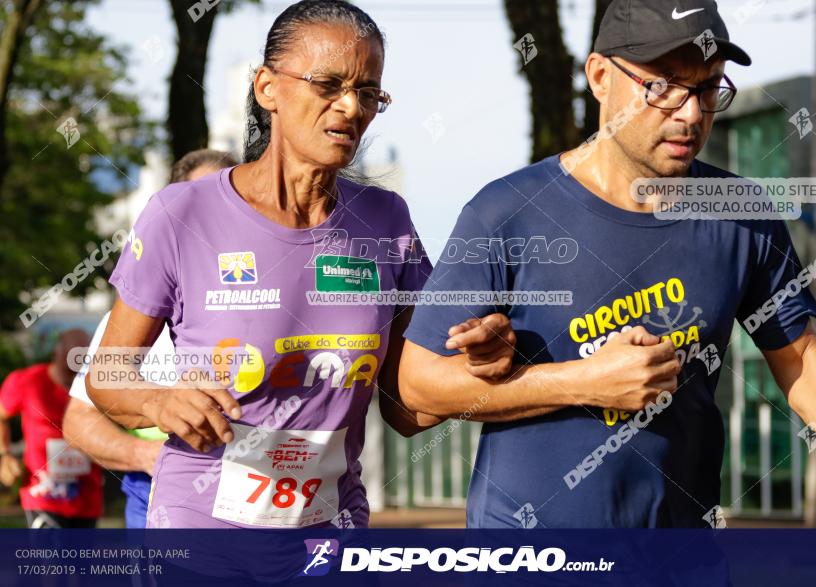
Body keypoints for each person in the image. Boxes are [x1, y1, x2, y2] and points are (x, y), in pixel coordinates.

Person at [400, 0, 816, 528]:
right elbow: (418, 388)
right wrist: (584, 381)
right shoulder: (506, 212)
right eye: (664, 86)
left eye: (707, 87)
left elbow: (798, 352)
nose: (692, 113)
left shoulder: (742, 212)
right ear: (601, 77)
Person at [86, 0, 512, 529]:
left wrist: (478, 361)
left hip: (332, 531)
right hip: (202, 531)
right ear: (268, 88)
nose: (351, 108)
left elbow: (407, 407)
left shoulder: (386, 220)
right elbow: (106, 376)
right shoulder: (181, 213)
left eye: (367, 92)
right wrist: (159, 402)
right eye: (328, 85)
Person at [63, 149, 239, 529]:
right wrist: (148, 455)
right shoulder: (134, 315)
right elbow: (78, 421)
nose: (213, 219)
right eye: (197, 203)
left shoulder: (271, 298)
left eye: (226, 200)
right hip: (154, 498)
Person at [0, 330, 103, 528]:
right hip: (43, 494)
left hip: (87, 498)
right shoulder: (28, 381)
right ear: (57, 351)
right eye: (73, 353)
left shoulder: (96, 388)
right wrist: (5, 454)